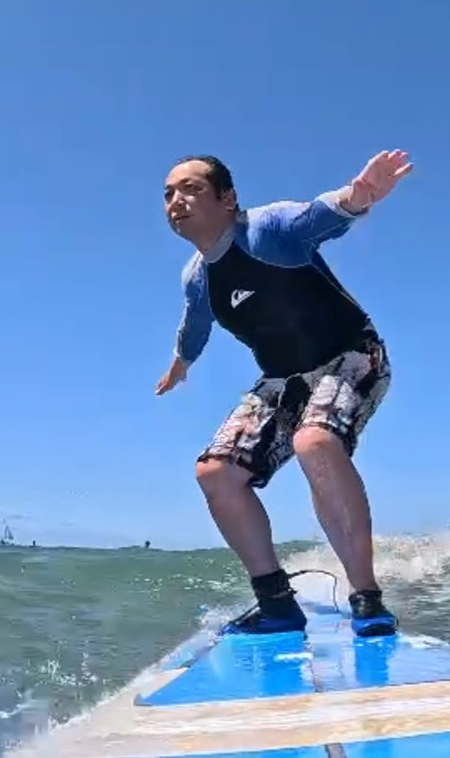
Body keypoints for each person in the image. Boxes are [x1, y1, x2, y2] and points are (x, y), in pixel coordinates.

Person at [156, 149, 413, 637]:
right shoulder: (198, 277)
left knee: (314, 441)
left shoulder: (266, 228)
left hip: (351, 355)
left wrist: (358, 196)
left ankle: (366, 597)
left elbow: (319, 217)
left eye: (191, 188)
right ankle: (276, 604)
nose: (176, 201)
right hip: (282, 380)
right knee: (216, 473)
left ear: (227, 199)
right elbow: (195, 325)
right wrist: (180, 365)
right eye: (168, 194)